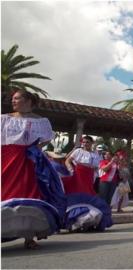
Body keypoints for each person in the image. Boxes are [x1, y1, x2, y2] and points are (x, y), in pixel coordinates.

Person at [1, 89, 66, 249]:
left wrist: (35, 148)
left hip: (31, 160)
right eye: (13, 99)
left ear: (28, 101)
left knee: (30, 195)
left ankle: (29, 237)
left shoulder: (42, 121)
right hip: (8, 158)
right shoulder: (4, 119)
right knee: (5, 193)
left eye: (17, 98)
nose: (13, 101)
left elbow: (47, 138)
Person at [61, 136, 112, 232]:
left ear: (92, 143)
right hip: (78, 175)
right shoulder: (78, 151)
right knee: (78, 196)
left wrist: (96, 176)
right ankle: (73, 221)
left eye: (87, 142)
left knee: (90, 196)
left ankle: (88, 222)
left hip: (89, 177)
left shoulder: (96, 154)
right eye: (83, 142)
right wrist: (71, 170)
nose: (85, 144)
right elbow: (67, 160)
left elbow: (97, 168)